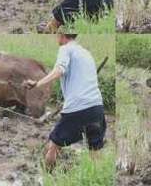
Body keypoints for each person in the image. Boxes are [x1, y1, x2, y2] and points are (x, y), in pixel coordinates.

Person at [24, 34, 106, 169]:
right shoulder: (86, 53)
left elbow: (59, 70)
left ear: (62, 36)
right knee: (95, 150)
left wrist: (37, 84)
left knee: (54, 145)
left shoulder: (66, 49)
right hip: (97, 108)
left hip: (77, 108)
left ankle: (48, 177)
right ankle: (98, 178)